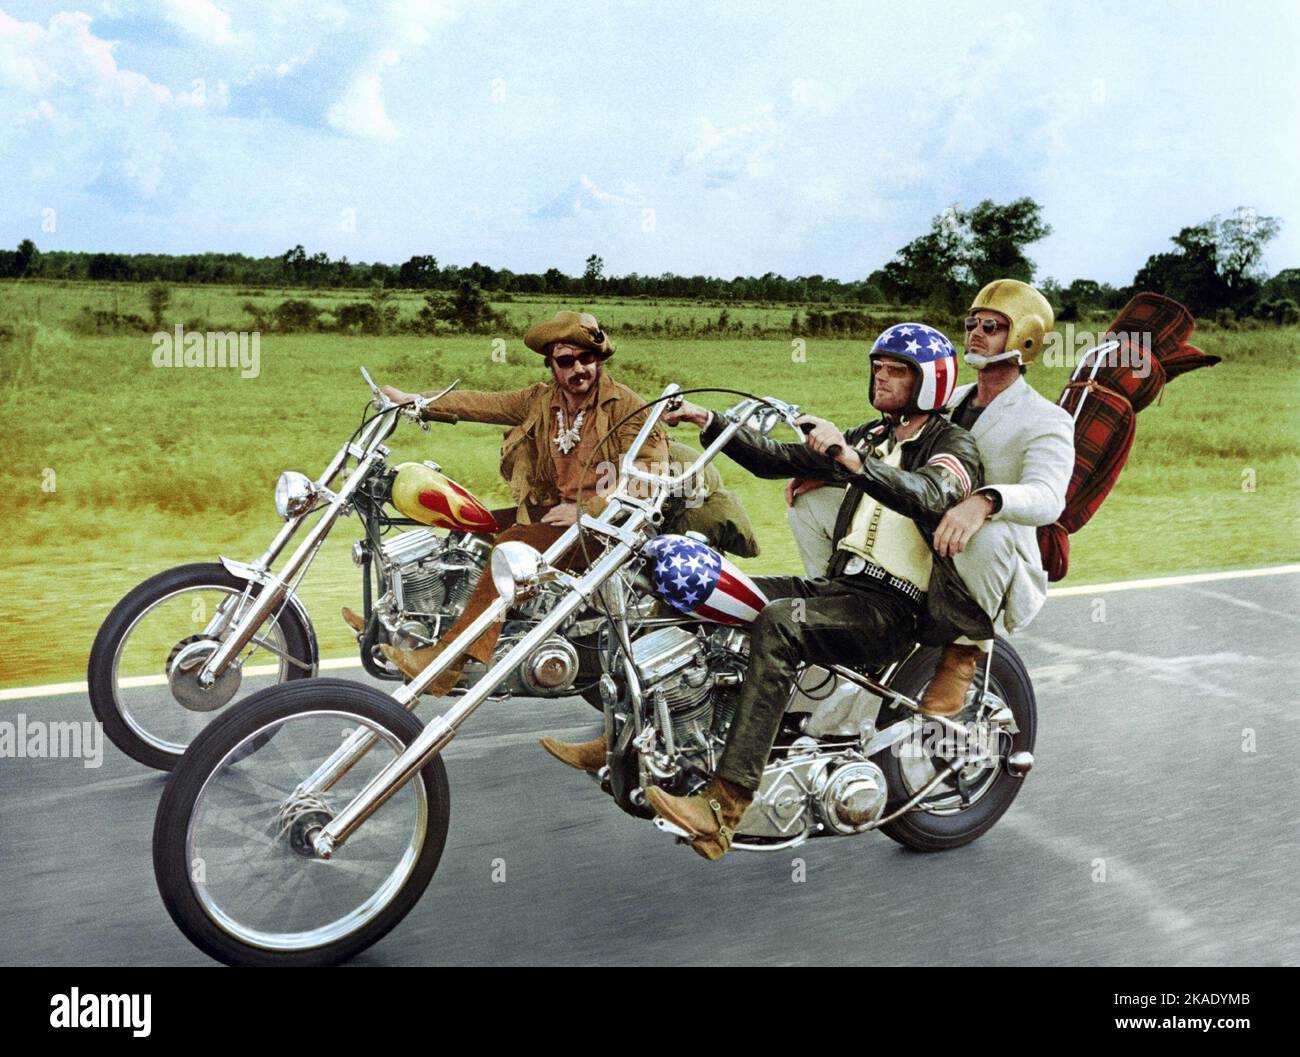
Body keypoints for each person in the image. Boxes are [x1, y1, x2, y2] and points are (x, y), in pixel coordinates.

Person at [541, 323, 992, 860]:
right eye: (878, 367)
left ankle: (723, 808)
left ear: (930, 383)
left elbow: (932, 494)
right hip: (842, 585)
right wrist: (712, 422)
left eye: (896, 371)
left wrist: (849, 460)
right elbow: (774, 458)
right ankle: (631, 742)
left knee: (779, 622)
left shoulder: (950, 445)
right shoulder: (875, 437)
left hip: (894, 610)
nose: (882, 378)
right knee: (698, 591)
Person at [785, 281, 1075, 716]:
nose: (975, 333)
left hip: (984, 553)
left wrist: (985, 502)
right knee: (807, 504)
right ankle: (839, 600)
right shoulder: (947, 399)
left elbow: (1050, 497)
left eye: (992, 326)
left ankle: (963, 654)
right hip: (921, 532)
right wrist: (830, 473)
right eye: (971, 323)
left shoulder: (1046, 418)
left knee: (985, 536)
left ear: (1025, 338)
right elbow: (896, 455)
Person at [368, 310, 668, 696]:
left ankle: (448, 665)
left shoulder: (627, 407)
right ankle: (406, 626)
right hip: (558, 512)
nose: (579, 369)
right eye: (566, 361)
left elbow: (651, 475)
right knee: (463, 528)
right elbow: (482, 403)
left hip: (610, 528)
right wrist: (418, 402)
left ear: (599, 359)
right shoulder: (541, 400)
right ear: (551, 366)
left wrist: (588, 509)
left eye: (587, 359)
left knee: (511, 547)